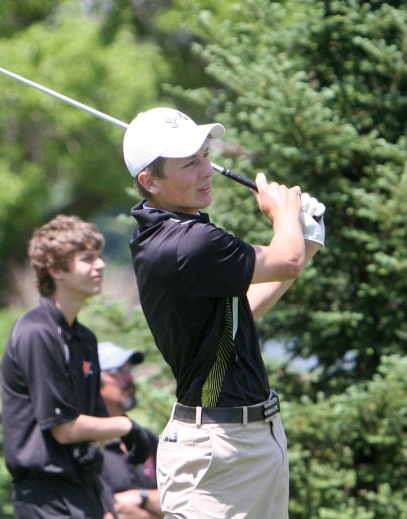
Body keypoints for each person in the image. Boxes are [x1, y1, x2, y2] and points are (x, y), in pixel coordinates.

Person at [122, 107, 326, 518]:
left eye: (204, 156)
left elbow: (239, 315)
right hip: (216, 450)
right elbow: (283, 259)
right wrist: (284, 214)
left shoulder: (180, 233)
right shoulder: (189, 243)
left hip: (251, 438)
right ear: (150, 181)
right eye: (189, 164)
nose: (206, 171)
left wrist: (306, 243)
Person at [1, 214, 151, 519]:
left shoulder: (83, 338)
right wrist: (126, 426)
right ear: (55, 269)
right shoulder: (36, 332)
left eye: (98, 256)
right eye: (87, 259)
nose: (100, 265)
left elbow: (91, 419)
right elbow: (63, 428)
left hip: (85, 488)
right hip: (47, 496)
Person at [97, 341, 163, 519]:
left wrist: (140, 497)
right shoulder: (89, 446)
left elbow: (179, 501)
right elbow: (111, 514)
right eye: (117, 371)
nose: (129, 378)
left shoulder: (147, 439)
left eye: (129, 370)